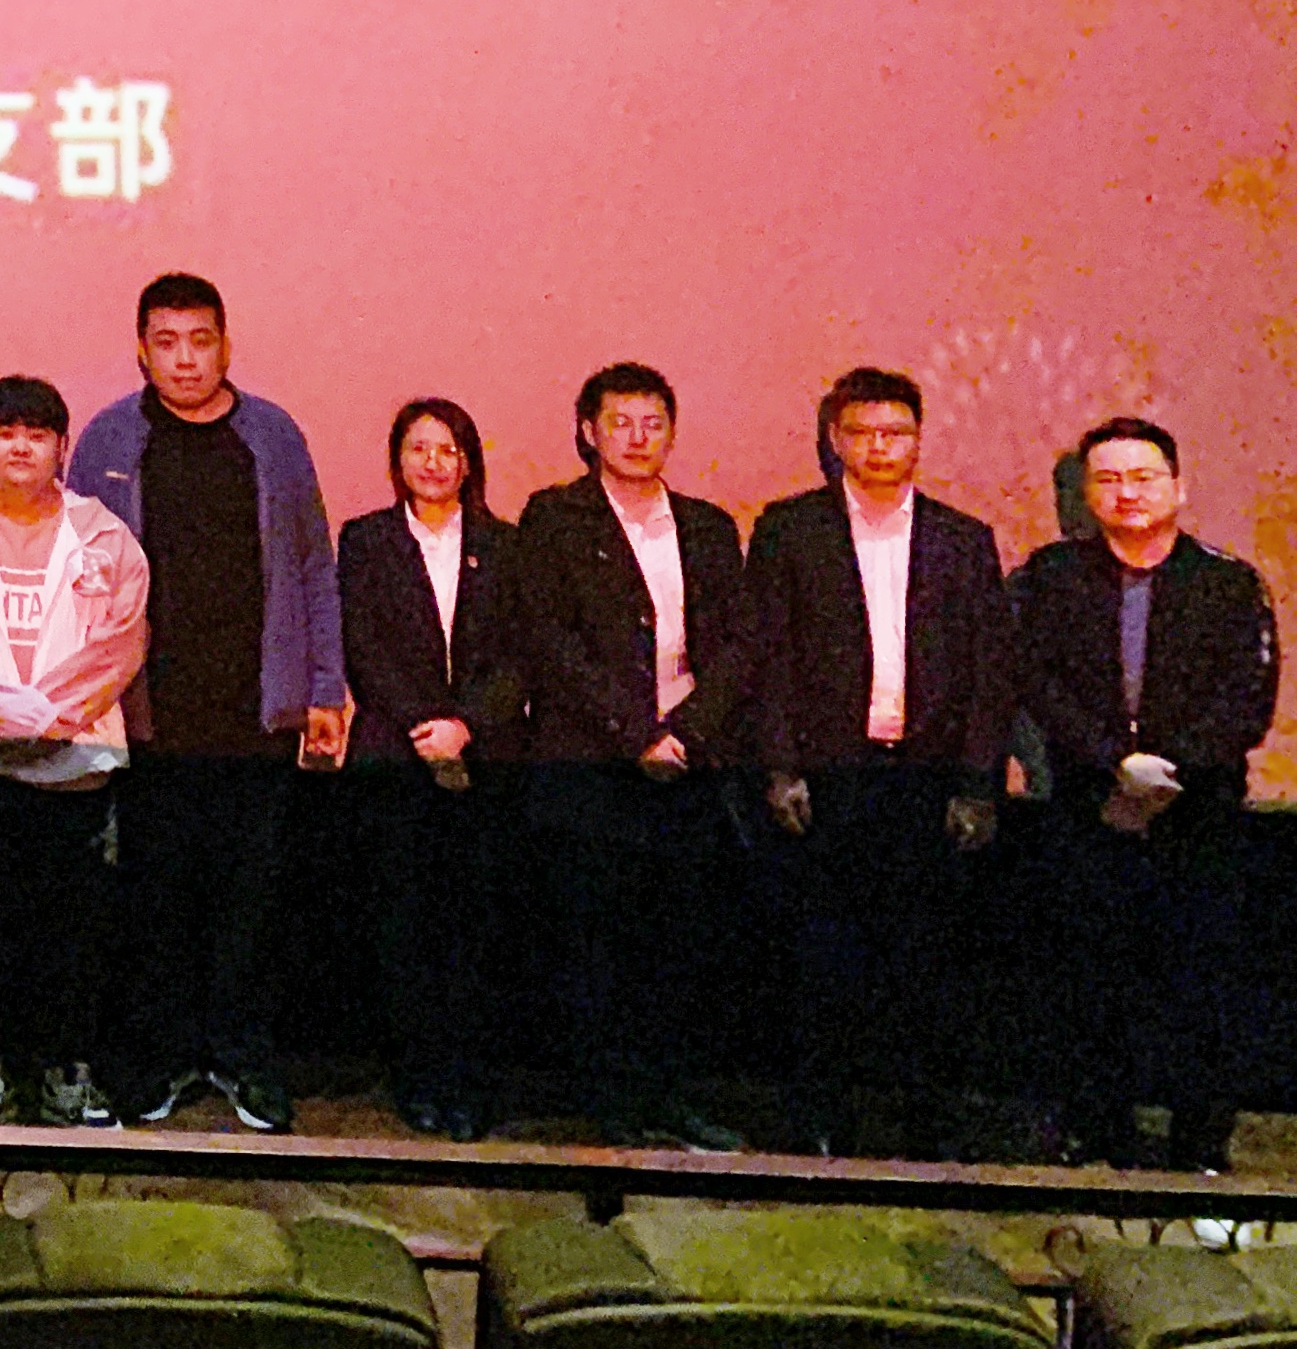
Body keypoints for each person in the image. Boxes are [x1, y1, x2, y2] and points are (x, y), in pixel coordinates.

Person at [67, 272, 345, 1132]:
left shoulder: (273, 435)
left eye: (199, 340)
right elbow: (77, 573)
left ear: (225, 345)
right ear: (141, 350)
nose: (184, 359)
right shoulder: (109, 437)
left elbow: (312, 564)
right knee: (155, 902)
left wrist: (323, 687)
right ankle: (161, 1058)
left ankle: (241, 1056)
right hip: (148, 718)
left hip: (255, 715)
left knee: (249, 905)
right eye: (166, 342)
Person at [746, 367, 1013, 1155]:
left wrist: (978, 783)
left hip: (927, 779)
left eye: (894, 432)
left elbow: (990, 672)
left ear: (918, 439)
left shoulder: (962, 539)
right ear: (835, 439)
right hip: (827, 777)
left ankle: (926, 1124)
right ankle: (818, 1121)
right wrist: (779, 766)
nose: (878, 447)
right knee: (820, 960)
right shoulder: (790, 529)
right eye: (861, 432)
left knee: (925, 962)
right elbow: (768, 656)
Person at [1011, 417, 1280, 1171]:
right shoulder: (1051, 577)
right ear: (1084, 493)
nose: (1126, 493)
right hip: (1087, 808)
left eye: (1143, 477)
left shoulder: (1228, 582)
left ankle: (1199, 1144)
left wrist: (1166, 767)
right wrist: (1114, 763)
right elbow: (1035, 681)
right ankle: (1096, 1135)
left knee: (1202, 982)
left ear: (1177, 487)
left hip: (1199, 815)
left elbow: (1247, 700)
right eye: (1108, 479)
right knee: (1088, 980)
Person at [510, 361, 751, 1149]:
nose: (637, 437)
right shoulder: (554, 517)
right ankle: (609, 1109)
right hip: (591, 766)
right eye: (619, 422)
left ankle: (668, 1097)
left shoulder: (708, 526)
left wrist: (687, 731)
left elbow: (737, 645)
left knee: (677, 946)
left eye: (652, 423)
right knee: (594, 948)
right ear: (588, 431)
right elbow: (549, 642)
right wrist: (635, 732)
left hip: (687, 763)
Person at [0, 374, 148, 1131]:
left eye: (36, 434)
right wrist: (12, 714)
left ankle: (65, 1071)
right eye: (5, 432)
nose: (20, 446)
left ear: (60, 447)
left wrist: (52, 716)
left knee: (71, 934)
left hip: (74, 766)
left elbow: (121, 642)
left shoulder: (105, 534)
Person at [336, 397, 522, 1138]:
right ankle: (416, 1079)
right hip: (395, 760)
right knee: (403, 928)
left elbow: (520, 655)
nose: (433, 462)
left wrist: (464, 726)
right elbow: (363, 646)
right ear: (398, 460)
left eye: (448, 449)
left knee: (475, 930)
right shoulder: (366, 541)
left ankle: (468, 1082)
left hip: (485, 761)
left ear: (468, 461)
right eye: (418, 448)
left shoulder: (506, 545)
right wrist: (426, 729)